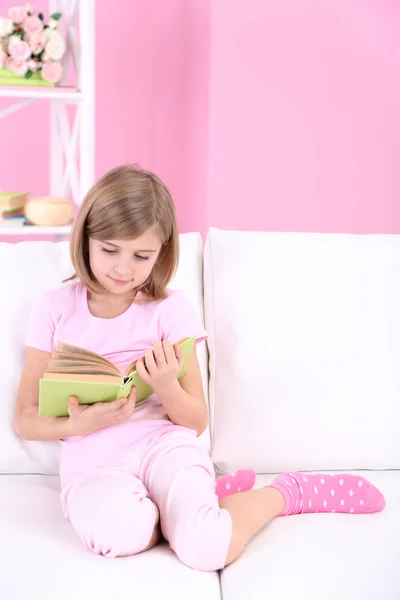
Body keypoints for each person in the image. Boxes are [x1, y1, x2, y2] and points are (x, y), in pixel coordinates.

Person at [14, 165, 386, 571]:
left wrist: (164, 386)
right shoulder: (54, 307)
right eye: (109, 250)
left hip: (164, 446)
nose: (124, 269)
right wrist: (79, 426)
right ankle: (192, 504)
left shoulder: (169, 310)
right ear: (84, 238)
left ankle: (284, 493)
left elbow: (195, 421)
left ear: (162, 251)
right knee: (117, 535)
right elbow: (26, 419)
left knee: (207, 549)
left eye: (142, 256)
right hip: (93, 463)